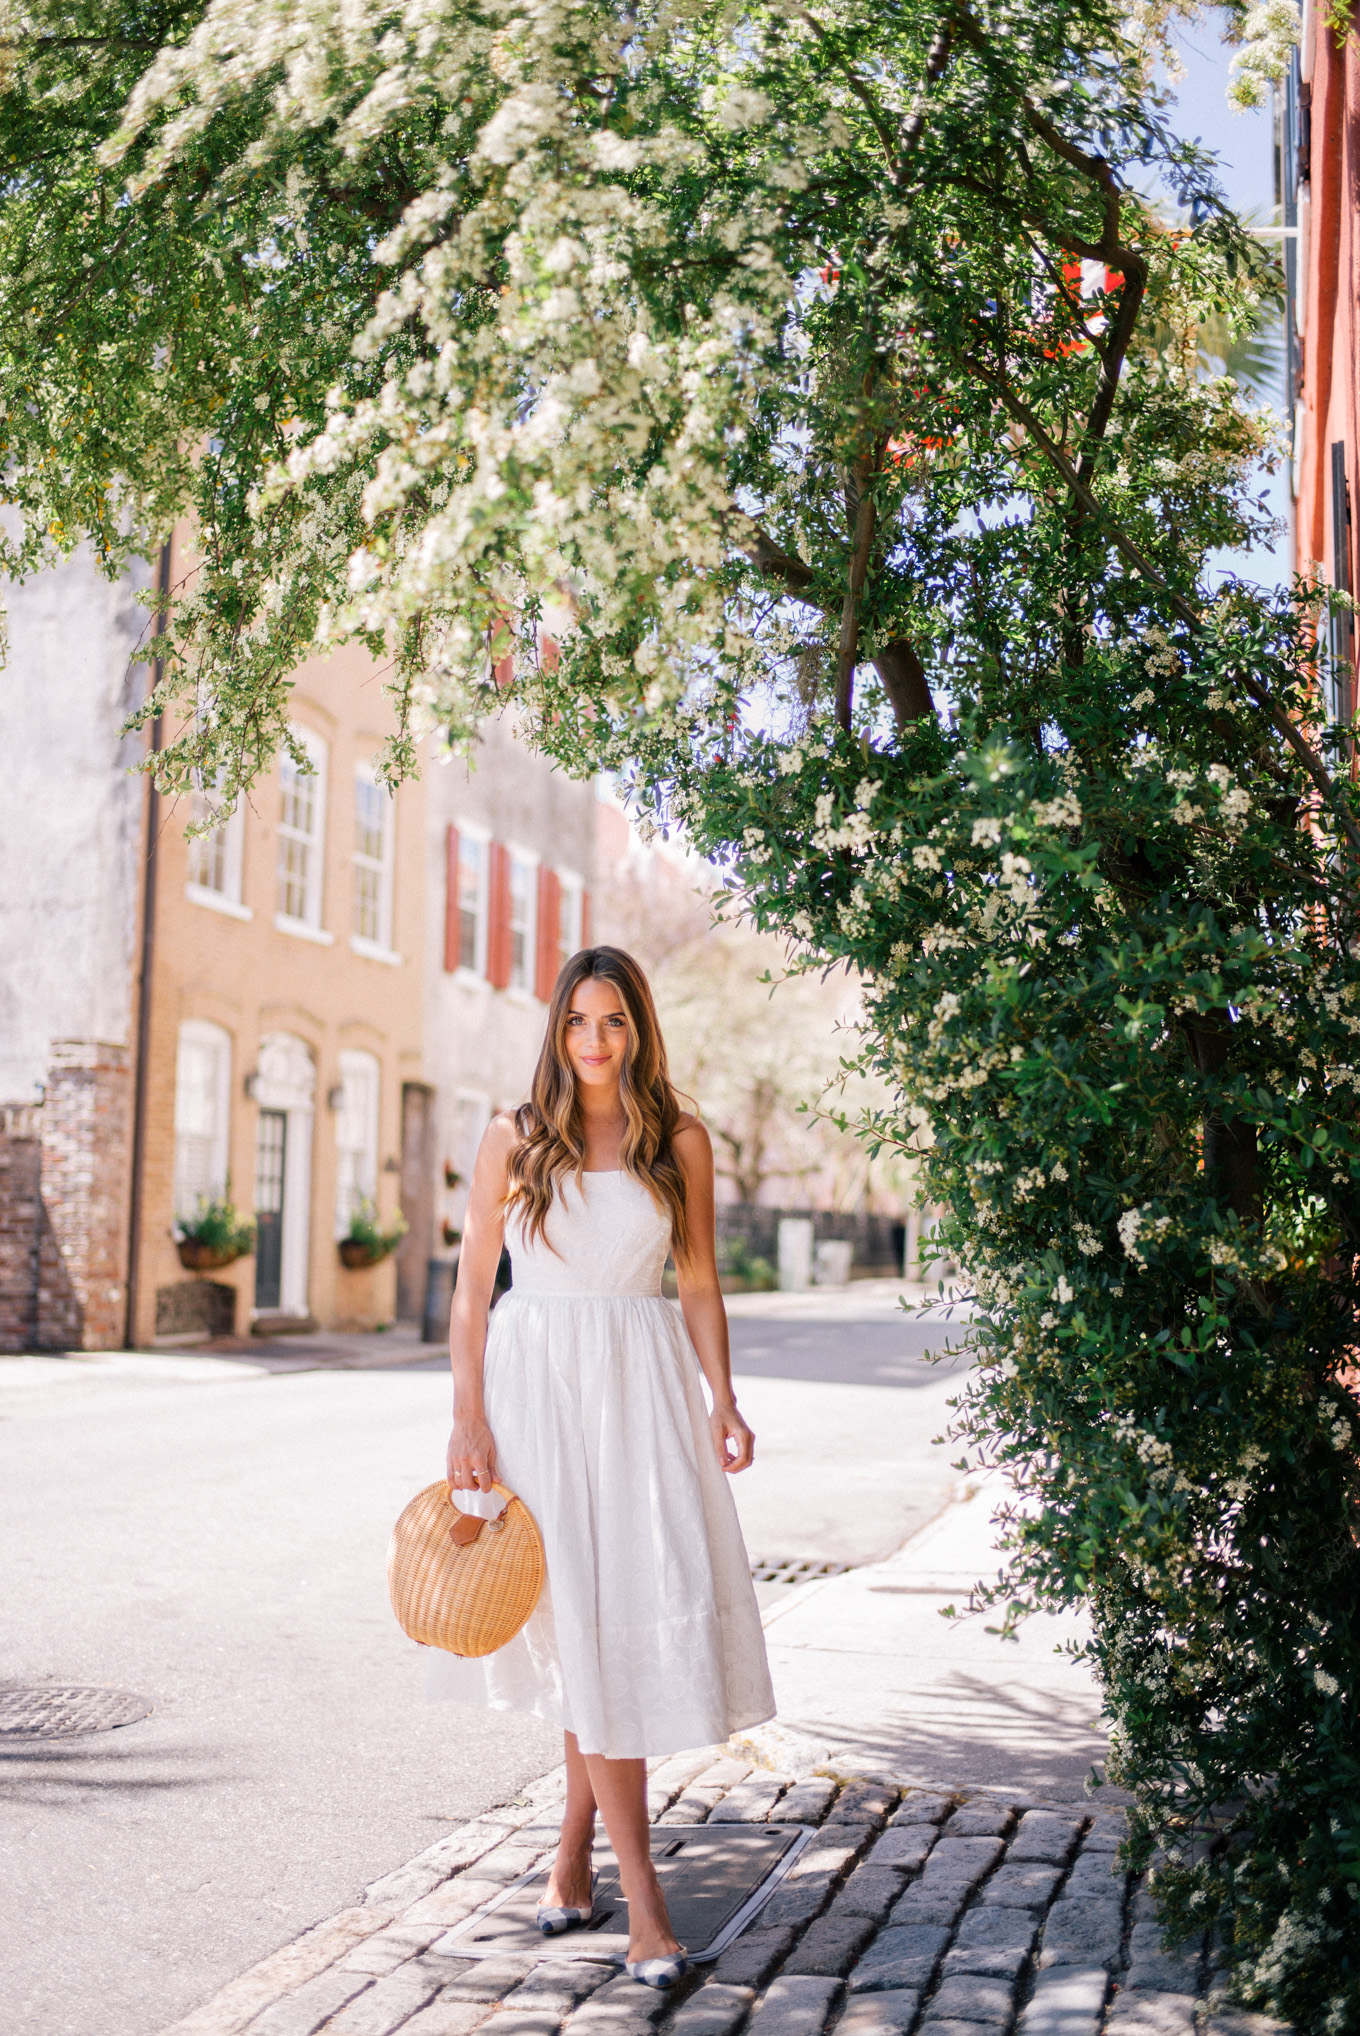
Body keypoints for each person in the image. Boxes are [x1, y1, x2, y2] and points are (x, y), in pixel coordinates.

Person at [432, 945, 775, 1987]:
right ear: (556, 1028)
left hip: (642, 1394)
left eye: (614, 1020)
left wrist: (723, 1394)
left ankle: (573, 1847)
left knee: (619, 1621)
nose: (594, 1040)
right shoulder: (513, 1136)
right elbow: (466, 1294)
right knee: (583, 1628)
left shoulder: (679, 1139)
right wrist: (466, 1422)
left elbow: (702, 1282)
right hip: (537, 1398)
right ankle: (647, 1912)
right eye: (578, 1020)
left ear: (638, 1028)